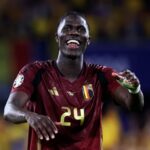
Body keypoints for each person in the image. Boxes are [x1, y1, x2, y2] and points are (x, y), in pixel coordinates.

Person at [4, 11, 144, 150]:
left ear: (88, 39)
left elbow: (133, 105)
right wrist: (29, 116)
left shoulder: (101, 75)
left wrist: (135, 90)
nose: (74, 32)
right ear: (57, 37)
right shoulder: (34, 72)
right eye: (67, 28)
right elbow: (9, 110)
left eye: (80, 29)